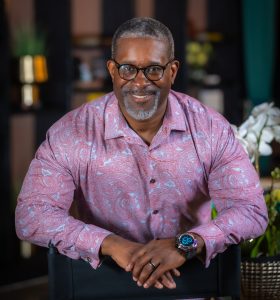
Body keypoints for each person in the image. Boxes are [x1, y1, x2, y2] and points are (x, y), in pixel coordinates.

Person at [15, 17, 268, 292]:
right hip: (101, 289)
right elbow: (31, 216)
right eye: (128, 68)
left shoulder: (210, 128)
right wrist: (111, 244)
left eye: (154, 69)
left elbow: (251, 211)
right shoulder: (70, 133)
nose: (140, 82)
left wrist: (184, 244)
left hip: (189, 288)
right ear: (112, 70)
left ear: (172, 71)